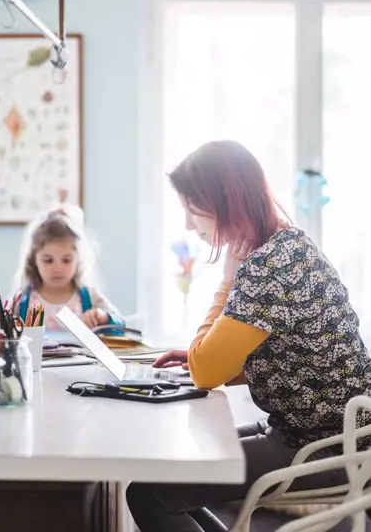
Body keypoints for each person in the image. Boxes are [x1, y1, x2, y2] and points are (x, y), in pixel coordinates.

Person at [127, 140, 371, 532]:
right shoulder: (286, 246)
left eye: (192, 208)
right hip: (327, 432)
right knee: (173, 465)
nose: (189, 224)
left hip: (324, 447)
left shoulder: (267, 265)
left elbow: (207, 374)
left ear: (225, 201)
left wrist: (225, 284)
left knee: (149, 493)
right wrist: (203, 357)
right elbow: (282, 357)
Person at [12, 204, 124, 331]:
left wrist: (104, 318)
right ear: (34, 260)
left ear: (78, 259)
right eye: (48, 260)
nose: (57, 268)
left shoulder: (89, 296)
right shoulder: (22, 299)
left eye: (66, 260)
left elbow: (120, 327)